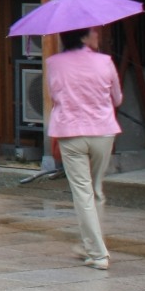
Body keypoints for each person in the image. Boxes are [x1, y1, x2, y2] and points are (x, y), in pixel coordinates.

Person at [46, 25, 123, 270]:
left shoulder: (54, 63)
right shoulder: (105, 61)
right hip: (103, 130)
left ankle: (97, 252)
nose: (97, 35)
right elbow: (118, 98)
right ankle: (90, 245)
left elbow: (54, 95)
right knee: (96, 190)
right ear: (82, 36)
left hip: (71, 132)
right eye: (93, 32)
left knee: (83, 192)